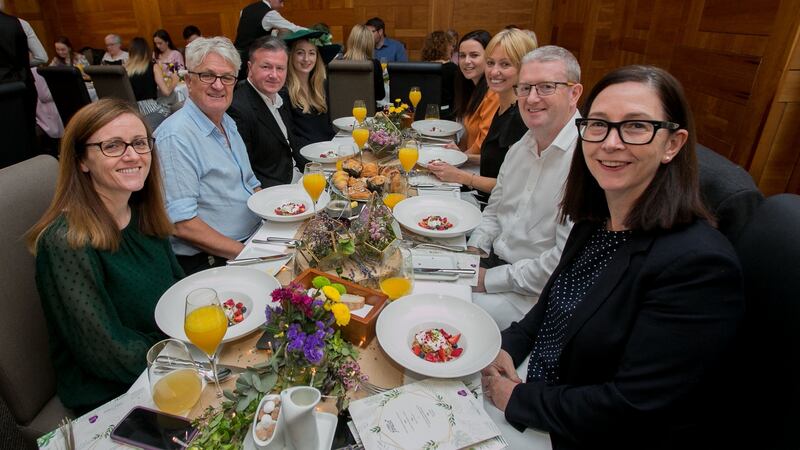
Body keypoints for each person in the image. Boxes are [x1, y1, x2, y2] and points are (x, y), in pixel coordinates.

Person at [481, 65, 744, 449]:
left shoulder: (698, 266)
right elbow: (551, 307)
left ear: (672, 143)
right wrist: (507, 346)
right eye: (599, 124)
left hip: (574, 431)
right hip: (539, 383)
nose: (611, 142)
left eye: (636, 126)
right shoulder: (596, 219)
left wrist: (515, 399)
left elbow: (633, 406)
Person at [26, 99, 182, 413]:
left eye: (140, 143)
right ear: (82, 160)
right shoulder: (65, 242)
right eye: (112, 146)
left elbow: (179, 292)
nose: (133, 155)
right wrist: (183, 357)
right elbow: (105, 353)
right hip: (116, 391)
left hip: (169, 356)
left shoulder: (143, 213)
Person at [466, 46, 581, 329]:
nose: (531, 98)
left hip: (534, 297)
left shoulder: (587, 159)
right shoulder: (521, 146)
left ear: (574, 93)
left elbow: (561, 262)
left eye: (546, 87)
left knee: (439, 308)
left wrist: (488, 280)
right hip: (495, 264)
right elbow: (495, 210)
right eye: (526, 87)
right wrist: (475, 249)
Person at [156, 36, 262, 275]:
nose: (218, 85)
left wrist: (281, 215)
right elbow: (183, 225)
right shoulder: (176, 137)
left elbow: (251, 184)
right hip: (215, 259)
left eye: (226, 77)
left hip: (254, 237)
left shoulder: (227, 122)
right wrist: (250, 255)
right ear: (188, 80)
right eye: (208, 75)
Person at [429, 28, 535, 206]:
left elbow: (514, 187)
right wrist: (462, 157)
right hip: (486, 200)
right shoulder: (503, 107)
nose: (494, 72)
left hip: (492, 206)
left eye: (505, 64)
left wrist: (461, 176)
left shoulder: (520, 118)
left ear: (523, 67)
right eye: (491, 63)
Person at [229, 36, 304, 188]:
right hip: (277, 192)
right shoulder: (238, 108)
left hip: (299, 177)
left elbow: (289, 145)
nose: (274, 75)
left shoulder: (279, 95)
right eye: (266, 67)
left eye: (280, 68)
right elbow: (245, 173)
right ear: (250, 68)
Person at [279, 29, 335, 151]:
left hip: (329, 152)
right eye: (300, 53)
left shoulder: (322, 86)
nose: (306, 59)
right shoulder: (283, 92)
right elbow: (291, 138)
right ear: (291, 56)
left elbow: (327, 128)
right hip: (306, 159)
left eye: (311, 53)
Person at [453, 30, 498, 156]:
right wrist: (456, 151)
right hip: (469, 160)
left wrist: (459, 159)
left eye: (474, 55)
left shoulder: (493, 92)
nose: (467, 61)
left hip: (479, 168)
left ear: (489, 57)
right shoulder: (472, 88)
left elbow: (483, 143)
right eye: (462, 55)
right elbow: (467, 133)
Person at [234, 0, 302, 80]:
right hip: (251, 61)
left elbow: (251, 31)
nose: (282, 5)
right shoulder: (270, 14)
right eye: (280, 1)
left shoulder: (245, 9)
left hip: (235, 58)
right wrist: (316, 31)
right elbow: (294, 29)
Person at [125, 37, 176, 126]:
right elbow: (166, 92)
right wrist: (174, 80)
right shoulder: (153, 66)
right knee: (174, 107)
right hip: (150, 110)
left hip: (131, 110)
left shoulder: (125, 69)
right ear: (147, 51)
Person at [420, 30, 458, 120]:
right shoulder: (452, 69)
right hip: (446, 116)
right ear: (445, 47)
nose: (452, 48)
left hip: (423, 113)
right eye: (450, 45)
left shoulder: (420, 67)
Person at [341, 24, 385, 101]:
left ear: (351, 41)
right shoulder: (374, 64)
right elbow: (380, 95)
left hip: (339, 111)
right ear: (370, 43)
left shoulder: (337, 64)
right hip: (367, 111)